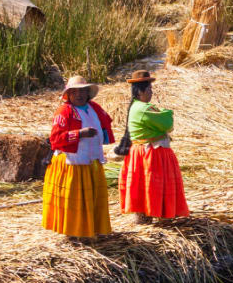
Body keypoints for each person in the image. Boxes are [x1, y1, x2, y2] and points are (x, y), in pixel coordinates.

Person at [43, 75, 115, 238]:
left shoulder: (94, 108)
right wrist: (79, 134)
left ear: (88, 93)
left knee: (92, 198)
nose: (79, 95)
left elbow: (106, 125)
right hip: (72, 162)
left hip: (91, 161)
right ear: (68, 95)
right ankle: (73, 232)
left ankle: (91, 229)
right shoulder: (65, 111)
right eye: (74, 92)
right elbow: (55, 139)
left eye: (83, 91)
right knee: (74, 199)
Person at [119, 70, 189, 222]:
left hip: (145, 151)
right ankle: (156, 215)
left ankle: (147, 216)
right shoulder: (143, 109)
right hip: (149, 154)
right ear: (140, 91)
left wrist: (161, 115)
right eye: (149, 89)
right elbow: (167, 123)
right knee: (152, 186)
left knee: (145, 186)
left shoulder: (139, 107)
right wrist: (165, 113)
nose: (151, 92)